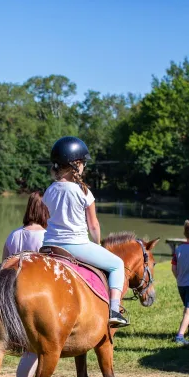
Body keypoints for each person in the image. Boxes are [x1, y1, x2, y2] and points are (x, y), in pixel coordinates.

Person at [42, 136, 127, 327]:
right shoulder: (83, 192)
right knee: (117, 265)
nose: (84, 167)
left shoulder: (49, 190)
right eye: (83, 163)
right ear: (76, 164)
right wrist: (97, 245)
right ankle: (114, 310)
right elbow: (94, 225)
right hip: (76, 245)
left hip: (48, 245)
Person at [2, 191, 57, 377]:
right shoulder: (47, 237)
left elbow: (2, 269)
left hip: (12, 299)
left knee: (38, 350)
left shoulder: (13, 236)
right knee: (33, 351)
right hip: (37, 301)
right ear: (46, 210)